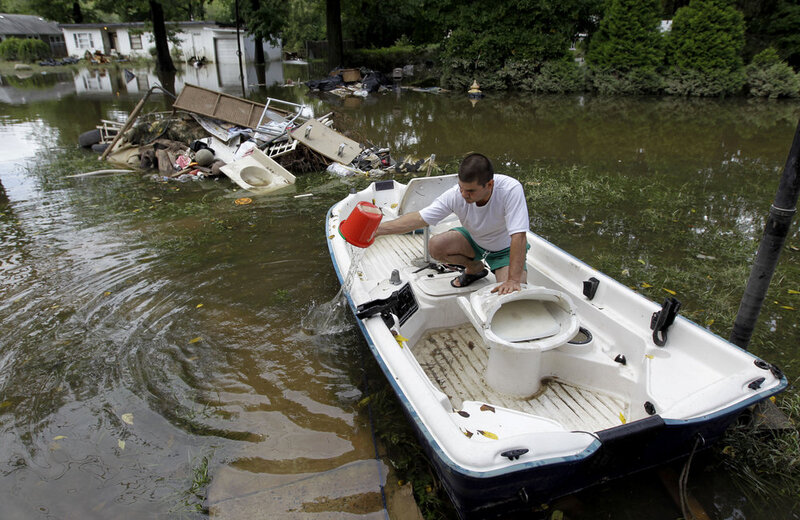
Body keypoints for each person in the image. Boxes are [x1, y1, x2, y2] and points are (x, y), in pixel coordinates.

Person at [375, 153, 529, 295]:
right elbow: (419, 218)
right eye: (461, 188)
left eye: (470, 191)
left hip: (505, 250)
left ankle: (504, 272)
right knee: (436, 246)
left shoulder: (510, 189)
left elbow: (519, 236)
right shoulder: (456, 195)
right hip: (475, 240)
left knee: (512, 295)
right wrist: (378, 229)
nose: (463, 194)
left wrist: (513, 280)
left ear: (489, 185)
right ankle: (474, 268)